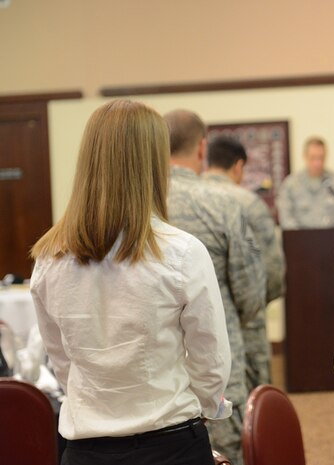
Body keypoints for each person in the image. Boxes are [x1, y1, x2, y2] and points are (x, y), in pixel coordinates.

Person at [30, 100, 232, 465]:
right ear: (155, 164)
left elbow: (62, 362)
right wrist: (200, 407)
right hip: (172, 445)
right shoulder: (182, 253)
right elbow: (211, 362)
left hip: (85, 451)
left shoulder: (49, 258)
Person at [164, 109, 266, 465]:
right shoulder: (222, 205)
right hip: (220, 360)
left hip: (159, 371)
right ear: (202, 146)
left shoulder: (141, 204)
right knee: (228, 453)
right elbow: (252, 294)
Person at [203, 135, 286, 390]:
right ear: (238, 166)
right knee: (254, 396)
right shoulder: (248, 203)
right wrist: (259, 303)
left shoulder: (187, 199)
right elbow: (273, 270)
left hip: (199, 319)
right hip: (246, 321)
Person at [277, 136, 334, 229]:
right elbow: (287, 220)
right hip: (301, 241)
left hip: (333, 240)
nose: (318, 163)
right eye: (313, 158)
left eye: (321, 158)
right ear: (305, 157)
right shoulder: (291, 185)